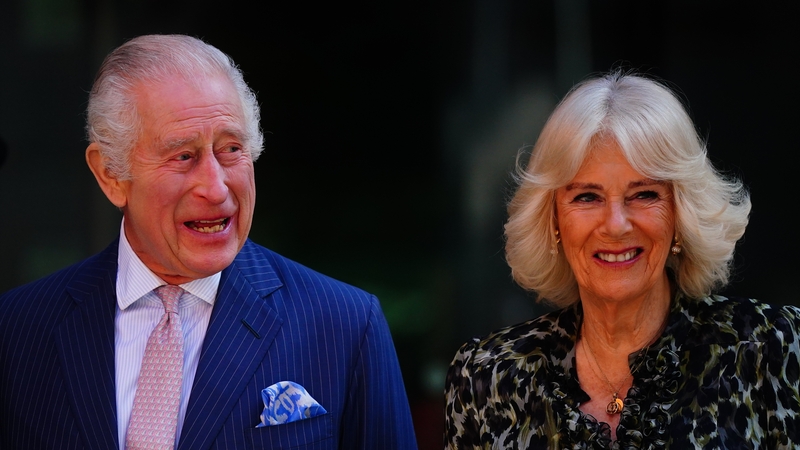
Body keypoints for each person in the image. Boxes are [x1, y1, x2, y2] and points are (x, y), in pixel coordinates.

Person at [0, 34, 417, 450]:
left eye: (231, 149)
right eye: (183, 156)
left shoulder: (345, 325)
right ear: (110, 174)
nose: (216, 188)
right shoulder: (17, 330)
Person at [444, 71, 800, 448]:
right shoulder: (486, 377)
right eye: (587, 197)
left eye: (644, 194)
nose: (615, 225)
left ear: (682, 213)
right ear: (553, 219)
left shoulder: (772, 349)